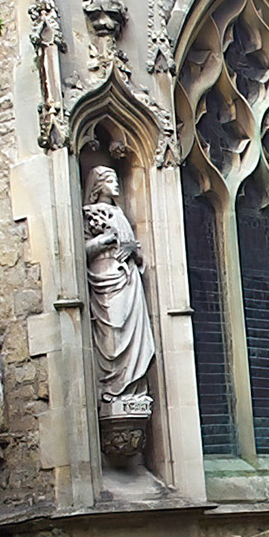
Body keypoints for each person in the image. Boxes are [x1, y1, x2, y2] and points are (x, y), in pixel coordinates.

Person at [83, 166, 157, 401]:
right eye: (110, 180)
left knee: (135, 337)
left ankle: (133, 390)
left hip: (129, 280)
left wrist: (133, 250)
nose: (116, 184)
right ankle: (114, 389)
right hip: (106, 280)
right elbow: (80, 252)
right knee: (113, 335)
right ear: (98, 185)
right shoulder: (88, 213)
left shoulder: (119, 214)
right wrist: (104, 241)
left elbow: (137, 252)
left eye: (116, 179)